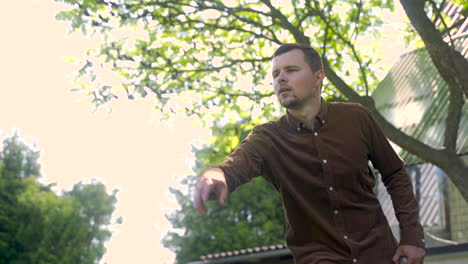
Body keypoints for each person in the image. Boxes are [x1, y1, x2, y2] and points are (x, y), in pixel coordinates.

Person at [193, 43, 425, 264]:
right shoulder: (267, 139)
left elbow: (395, 173)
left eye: (291, 70)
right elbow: (235, 165)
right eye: (275, 75)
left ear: (318, 78)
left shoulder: (357, 118)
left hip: (381, 256)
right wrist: (217, 174)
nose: (280, 79)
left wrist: (412, 237)